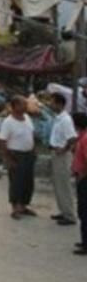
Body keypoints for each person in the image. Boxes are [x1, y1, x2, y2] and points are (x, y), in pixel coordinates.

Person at [0, 95, 37, 219]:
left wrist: (34, 150)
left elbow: (31, 134)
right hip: (16, 154)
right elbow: (2, 141)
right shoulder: (8, 122)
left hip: (29, 154)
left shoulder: (27, 118)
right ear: (14, 106)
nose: (25, 106)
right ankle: (15, 208)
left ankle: (23, 206)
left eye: (25, 104)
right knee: (16, 182)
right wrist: (8, 159)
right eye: (22, 104)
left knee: (28, 182)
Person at [49, 93, 79, 226]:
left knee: (64, 185)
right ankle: (63, 210)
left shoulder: (66, 120)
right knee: (58, 184)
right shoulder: (58, 118)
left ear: (59, 104)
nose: (51, 105)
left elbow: (72, 138)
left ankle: (69, 215)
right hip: (56, 152)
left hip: (62, 155)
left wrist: (64, 149)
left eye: (53, 102)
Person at [71, 112, 87, 253]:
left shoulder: (85, 138)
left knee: (84, 211)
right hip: (81, 176)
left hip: (84, 179)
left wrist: (82, 175)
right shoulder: (82, 137)